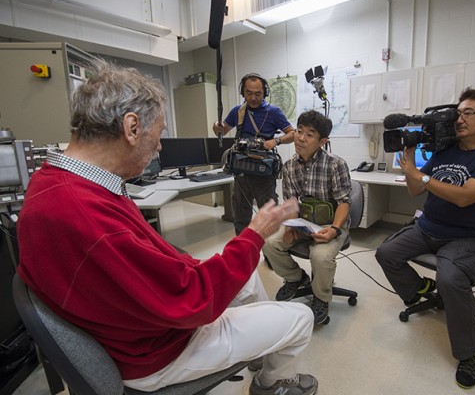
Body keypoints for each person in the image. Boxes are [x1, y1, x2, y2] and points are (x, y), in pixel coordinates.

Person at [16, 60, 319, 395]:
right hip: (159, 351)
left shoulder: (53, 181)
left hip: (142, 324)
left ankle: (258, 346)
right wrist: (255, 234)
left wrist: (204, 266)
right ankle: (270, 384)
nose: (160, 147)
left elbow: (158, 270)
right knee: (299, 318)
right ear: (131, 128)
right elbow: (195, 302)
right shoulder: (88, 217)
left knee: (246, 278)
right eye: (159, 133)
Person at [375, 87, 475, 389]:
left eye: (468, 113)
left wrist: (421, 175)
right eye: (458, 113)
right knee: (386, 252)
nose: (459, 119)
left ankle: (470, 352)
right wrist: (410, 163)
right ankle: (425, 288)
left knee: (451, 279)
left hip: (466, 237)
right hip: (428, 227)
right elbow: (415, 191)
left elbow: (465, 198)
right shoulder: (444, 151)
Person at [263, 110, 352, 325]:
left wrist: (334, 230)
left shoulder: (335, 164)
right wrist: (292, 226)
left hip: (331, 223)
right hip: (304, 222)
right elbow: (292, 203)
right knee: (269, 244)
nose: (300, 138)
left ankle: (321, 297)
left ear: (322, 141)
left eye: (309, 134)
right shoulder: (290, 166)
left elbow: (344, 203)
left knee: (320, 256)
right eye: (299, 131)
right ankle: (297, 278)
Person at [213, 73, 295, 236]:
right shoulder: (238, 111)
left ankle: (271, 255)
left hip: (264, 173)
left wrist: (276, 141)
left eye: (257, 93)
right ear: (243, 93)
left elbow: (293, 133)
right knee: (241, 217)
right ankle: (242, 253)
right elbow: (222, 131)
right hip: (242, 170)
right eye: (249, 93)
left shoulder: (274, 112)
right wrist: (217, 126)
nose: (253, 98)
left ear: (265, 92)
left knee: (269, 217)